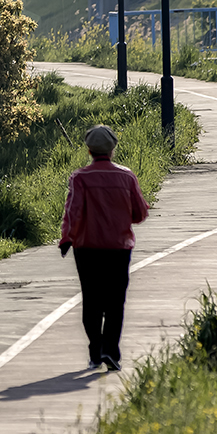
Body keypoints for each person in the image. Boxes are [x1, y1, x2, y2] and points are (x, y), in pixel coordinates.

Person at [59, 125, 150, 372]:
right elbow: (140, 213)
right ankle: (111, 351)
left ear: (88, 150)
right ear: (113, 148)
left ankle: (95, 352)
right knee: (115, 300)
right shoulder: (127, 176)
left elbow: (73, 211)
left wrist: (67, 238)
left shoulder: (80, 178)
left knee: (91, 299)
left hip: (86, 247)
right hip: (119, 247)